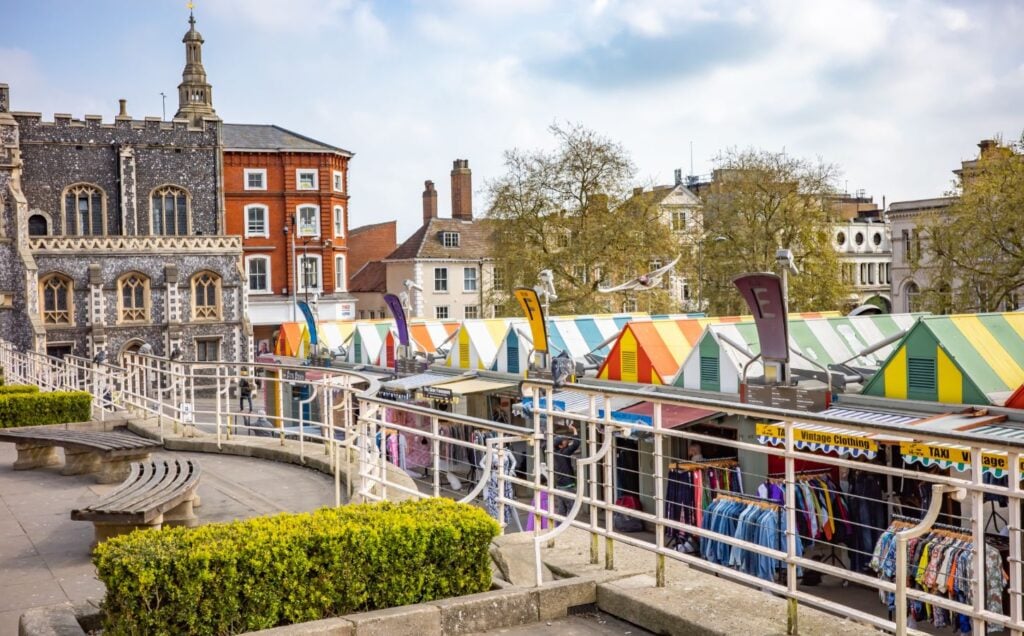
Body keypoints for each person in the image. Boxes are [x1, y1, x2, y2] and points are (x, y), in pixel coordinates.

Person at [550, 424, 581, 516]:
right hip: (568, 486)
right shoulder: (564, 453)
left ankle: (560, 527)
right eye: (564, 441)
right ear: (560, 446)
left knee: (561, 510)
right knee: (572, 510)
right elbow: (576, 444)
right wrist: (575, 430)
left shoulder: (555, 453)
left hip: (559, 486)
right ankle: (570, 528)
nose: (566, 441)